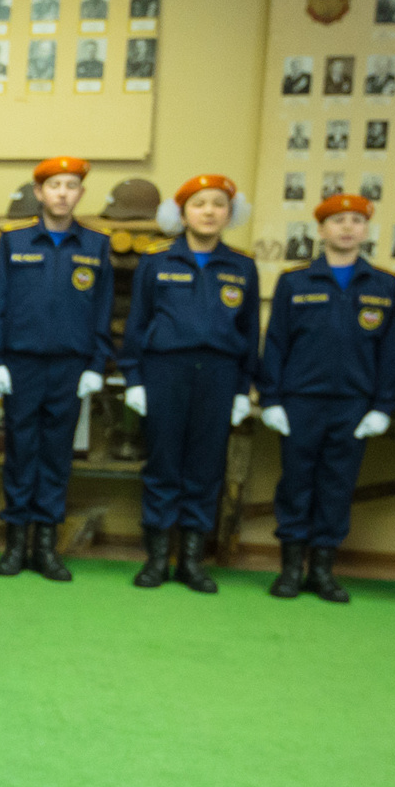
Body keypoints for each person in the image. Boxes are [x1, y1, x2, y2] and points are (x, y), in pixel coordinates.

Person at [257, 193, 395, 603]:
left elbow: (390, 352)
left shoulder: (383, 283)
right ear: (321, 230)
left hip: (354, 405)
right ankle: (290, 570)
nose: (347, 227)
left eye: (357, 220)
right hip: (301, 401)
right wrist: (271, 398)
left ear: (365, 230)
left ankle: (322, 571)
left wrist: (382, 406)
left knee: (337, 487)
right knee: (296, 485)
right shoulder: (295, 280)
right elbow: (276, 344)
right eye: (338, 220)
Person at [120, 176, 261, 594]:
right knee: (163, 464)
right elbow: (138, 323)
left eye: (219, 204)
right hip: (166, 371)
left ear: (229, 214)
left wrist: (242, 389)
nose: (209, 211)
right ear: (182, 214)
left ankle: (194, 562)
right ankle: (158, 559)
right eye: (199, 204)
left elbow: (250, 332)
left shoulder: (242, 266)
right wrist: (133, 378)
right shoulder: (157, 260)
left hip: (219, 375)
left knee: (205, 468)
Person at [0, 158, 115, 581]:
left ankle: (46, 547)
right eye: (54, 185)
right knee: (20, 452)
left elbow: (102, 309)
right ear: (38, 193)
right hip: (20, 363)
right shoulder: (13, 241)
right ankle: (15, 544)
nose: (62, 192)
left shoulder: (96, 246)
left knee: (57, 455)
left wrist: (97, 363)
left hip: (70, 366)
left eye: (71, 185)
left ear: (80, 194)